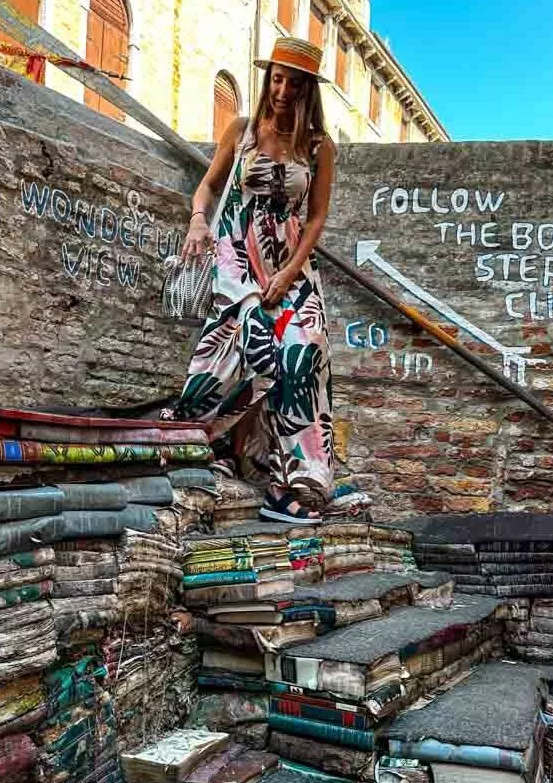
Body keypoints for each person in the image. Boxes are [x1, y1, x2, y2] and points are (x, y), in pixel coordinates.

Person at [166, 36, 336, 526]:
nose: (282, 90)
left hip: (293, 262)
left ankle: (297, 481)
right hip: (237, 258)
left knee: (303, 350)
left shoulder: (319, 147)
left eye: (294, 83)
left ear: (308, 90)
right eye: (277, 79)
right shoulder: (241, 131)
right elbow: (209, 185)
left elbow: (318, 217)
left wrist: (288, 273)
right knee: (228, 356)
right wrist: (198, 220)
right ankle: (199, 444)